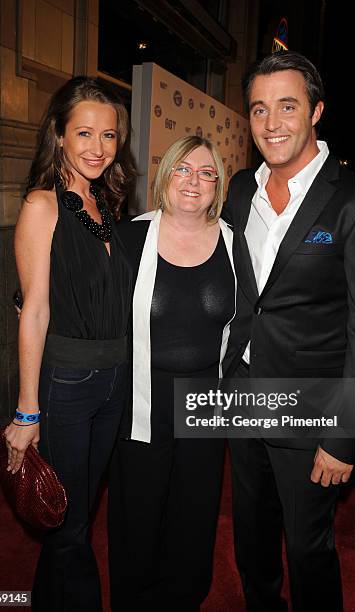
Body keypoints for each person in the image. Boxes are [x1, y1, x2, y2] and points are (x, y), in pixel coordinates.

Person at [222, 51, 355, 611]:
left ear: (316, 110)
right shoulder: (238, 190)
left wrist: (346, 435)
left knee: (308, 551)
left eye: (287, 106)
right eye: (258, 110)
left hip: (312, 412)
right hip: (242, 397)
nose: (271, 123)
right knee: (250, 542)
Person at [4, 76, 135, 612]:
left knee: (71, 513)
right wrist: (27, 412)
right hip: (67, 383)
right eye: (83, 133)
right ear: (58, 134)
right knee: (73, 522)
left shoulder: (107, 201)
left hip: (114, 382)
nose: (97, 149)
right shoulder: (43, 205)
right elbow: (33, 310)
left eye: (108, 136)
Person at [108, 135, 236, 611]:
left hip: (208, 398)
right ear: (165, 177)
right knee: (138, 512)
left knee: (195, 511)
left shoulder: (233, 241)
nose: (193, 181)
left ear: (217, 186)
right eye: (183, 169)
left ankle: (184, 598)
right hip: (142, 399)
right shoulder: (127, 237)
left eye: (206, 173)